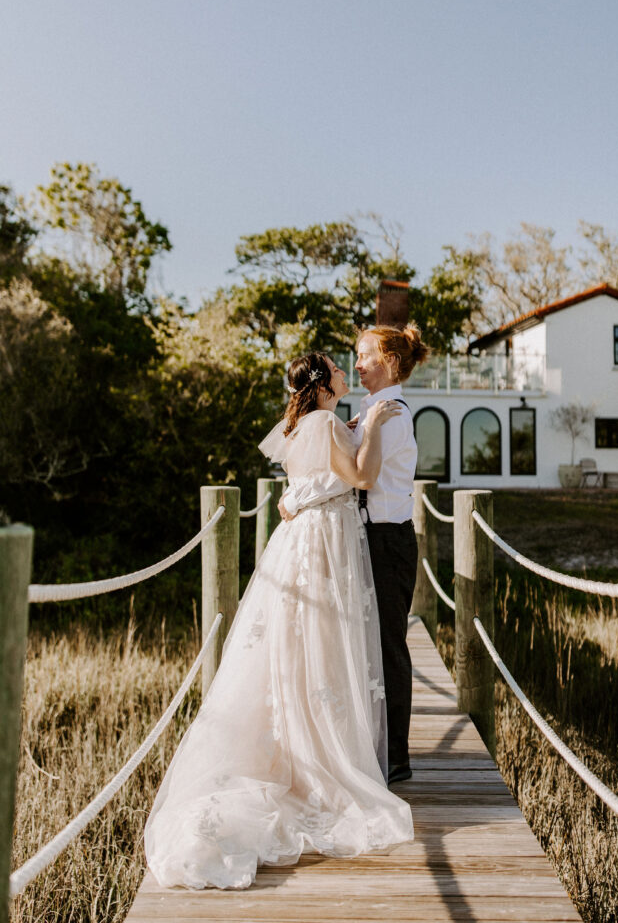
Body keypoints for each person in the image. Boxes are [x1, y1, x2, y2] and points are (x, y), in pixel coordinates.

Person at [144, 352, 414, 891]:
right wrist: (377, 426)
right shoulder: (328, 422)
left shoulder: (297, 427)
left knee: (299, 647)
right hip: (326, 543)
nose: (345, 373)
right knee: (326, 644)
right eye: (338, 369)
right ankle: (321, 757)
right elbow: (362, 475)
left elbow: (308, 484)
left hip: (299, 541)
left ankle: (297, 742)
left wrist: (304, 489)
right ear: (321, 384)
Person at [280, 325, 429, 784]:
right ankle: (367, 745)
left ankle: (396, 757)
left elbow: (356, 478)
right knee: (361, 649)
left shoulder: (393, 415)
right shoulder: (370, 414)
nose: (358, 364)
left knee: (387, 649)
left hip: (387, 541)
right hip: (366, 540)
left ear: (388, 360)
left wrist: (296, 498)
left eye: (364, 356)